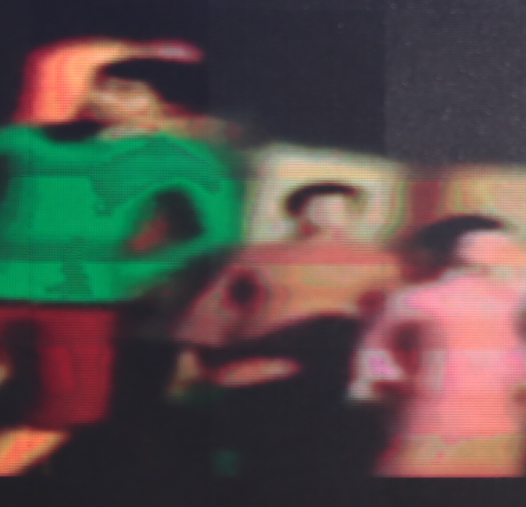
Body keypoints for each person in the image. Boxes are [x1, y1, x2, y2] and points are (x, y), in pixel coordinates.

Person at [0, 54, 240, 476]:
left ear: (168, 106)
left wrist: (135, 271)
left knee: (66, 411)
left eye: (123, 90)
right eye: (100, 84)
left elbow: (215, 234)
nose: (99, 96)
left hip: (83, 299)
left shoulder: (182, 160)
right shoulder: (21, 141)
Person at [169, 178, 404, 477]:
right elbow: (216, 308)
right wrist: (189, 359)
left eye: (339, 208)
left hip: (334, 362)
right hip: (263, 353)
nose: (329, 215)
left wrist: (382, 373)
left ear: (353, 215)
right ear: (298, 213)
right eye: (318, 207)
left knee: (324, 447)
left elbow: (389, 321)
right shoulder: (259, 256)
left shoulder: (378, 261)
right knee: (253, 443)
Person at [350, 214, 526, 477]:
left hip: (495, 414)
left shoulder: (509, 301)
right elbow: (375, 347)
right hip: (435, 412)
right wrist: (386, 383)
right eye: (493, 246)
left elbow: (521, 350)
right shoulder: (417, 298)